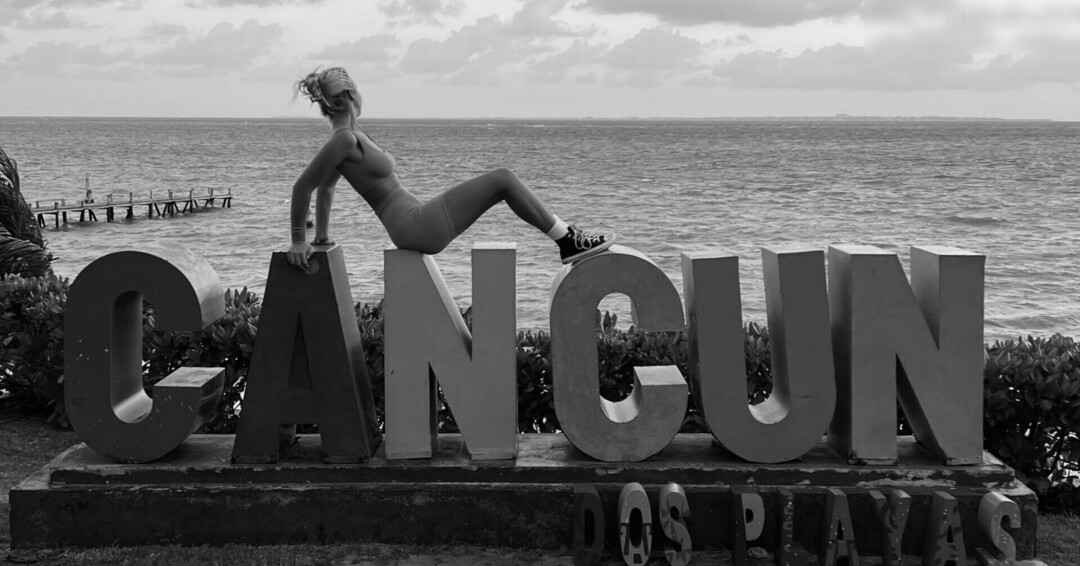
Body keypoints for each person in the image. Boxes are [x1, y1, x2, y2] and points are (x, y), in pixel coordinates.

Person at [285, 67, 615, 271]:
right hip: (414, 225)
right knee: (503, 179)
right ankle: (568, 241)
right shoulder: (343, 139)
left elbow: (327, 187)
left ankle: (568, 239)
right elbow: (304, 187)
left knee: (503, 181)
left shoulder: (352, 135)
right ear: (350, 95)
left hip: (414, 218)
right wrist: (299, 241)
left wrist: (322, 237)